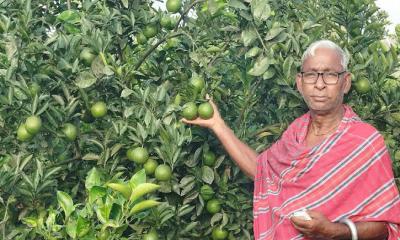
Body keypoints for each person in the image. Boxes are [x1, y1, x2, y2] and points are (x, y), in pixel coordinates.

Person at [182, 40, 400, 240]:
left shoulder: (365, 142)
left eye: (330, 74)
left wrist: (335, 231)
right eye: (311, 75)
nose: (320, 84)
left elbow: (384, 227)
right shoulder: (296, 132)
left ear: (346, 82)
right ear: (299, 82)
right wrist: (218, 126)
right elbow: (262, 171)